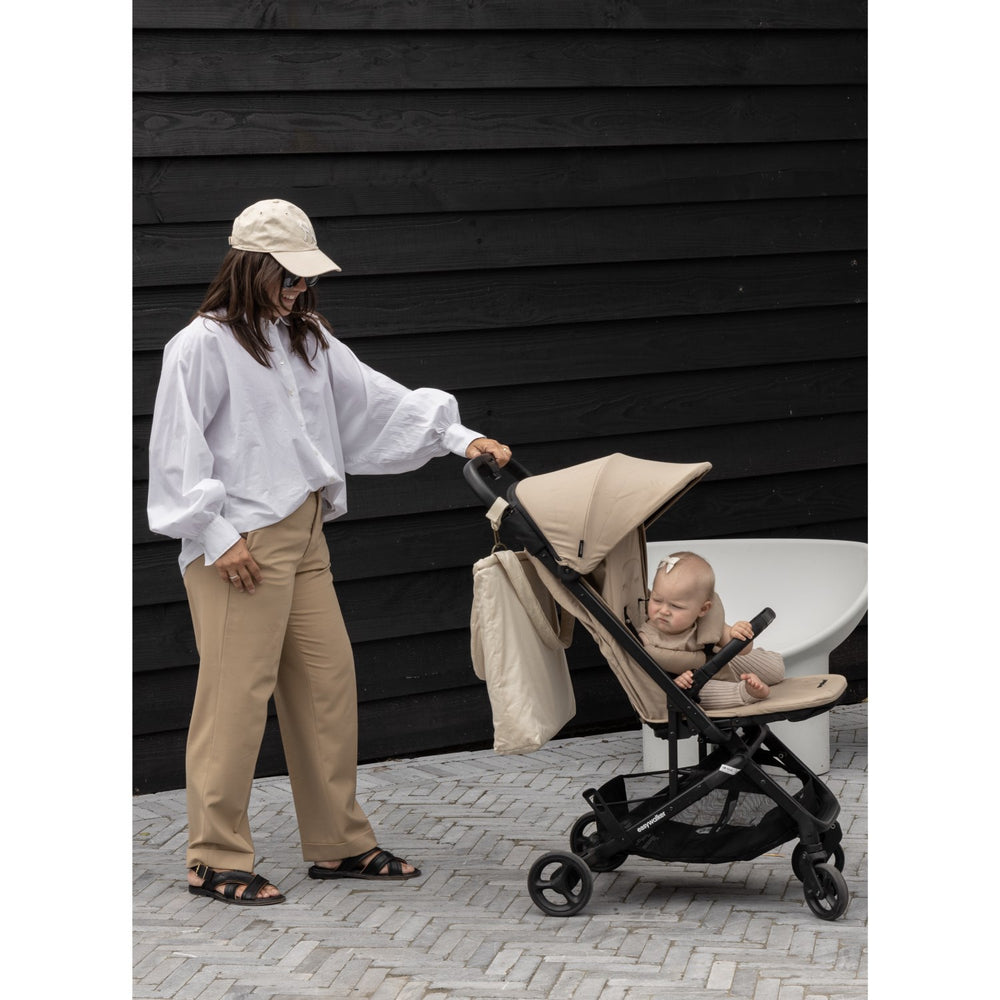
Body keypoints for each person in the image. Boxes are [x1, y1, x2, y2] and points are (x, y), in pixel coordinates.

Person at [147, 198, 513, 906]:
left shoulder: (306, 338)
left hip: (306, 530)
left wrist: (459, 437)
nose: (299, 288)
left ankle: (338, 844)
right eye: (287, 276)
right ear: (249, 267)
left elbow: (375, 399)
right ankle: (213, 858)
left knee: (326, 686)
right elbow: (175, 450)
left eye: (306, 277)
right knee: (234, 700)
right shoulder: (201, 344)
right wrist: (215, 535)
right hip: (241, 542)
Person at [638, 551, 784, 709]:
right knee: (704, 693)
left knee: (775, 669)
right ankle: (747, 692)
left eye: (676, 606)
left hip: (717, 659)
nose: (664, 611)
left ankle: (767, 669)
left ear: (703, 609)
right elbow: (652, 682)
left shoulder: (705, 620)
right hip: (694, 681)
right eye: (657, 600)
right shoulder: (647, 640)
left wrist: (739, 633)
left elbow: (743, 650)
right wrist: (677, 682)